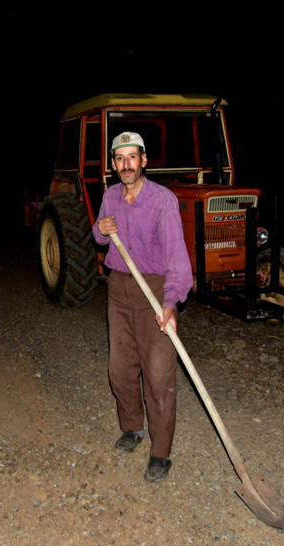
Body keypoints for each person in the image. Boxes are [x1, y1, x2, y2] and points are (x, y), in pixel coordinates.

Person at [92, 131, 194, 483]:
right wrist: (101, 229)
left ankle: (160, 453)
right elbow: (99, 236)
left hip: (154, 287)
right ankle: (132, 428)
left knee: (159, 374)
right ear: (114, 164)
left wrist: (170, 303)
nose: (126, 165)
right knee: (120, 369)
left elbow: (178, 260)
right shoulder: (109, 196)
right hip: (119, 289)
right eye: (119, 159)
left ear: (144, 161)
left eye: (132, 157)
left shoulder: (162, 201)